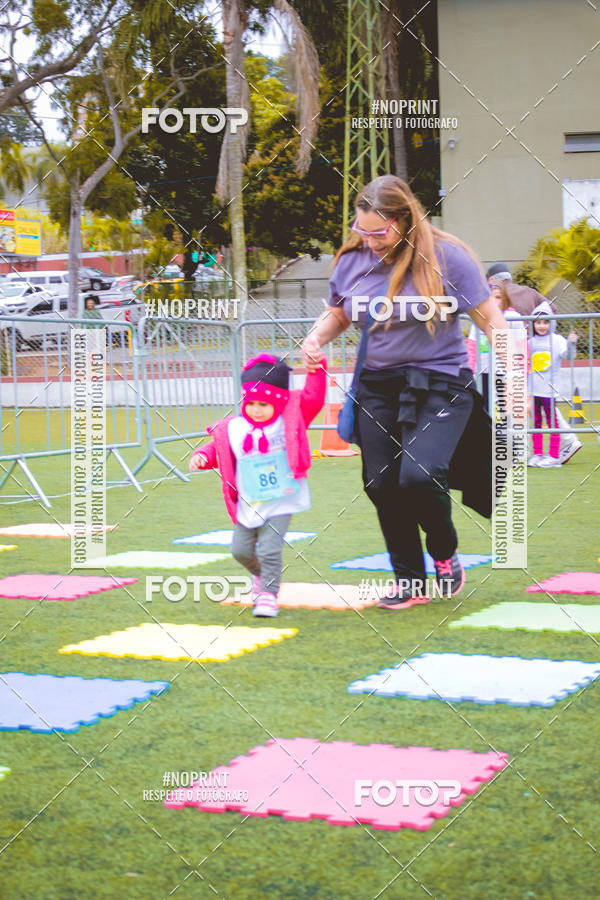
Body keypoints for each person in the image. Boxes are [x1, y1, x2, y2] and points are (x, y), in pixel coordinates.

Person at [301, 174, 511, 610]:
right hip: (378, 386)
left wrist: (513, 377)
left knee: (418, 474)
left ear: (403, 220)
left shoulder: (447, 258)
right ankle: (410, 581)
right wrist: (316, 337)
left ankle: (444, 551)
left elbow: (492, 321)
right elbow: (340, 313)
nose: (371, 241)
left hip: (441, 383)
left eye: (379, 232)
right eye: (362, 230)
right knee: (380, 483)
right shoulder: (353, 261)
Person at [189, 354, 326, 617]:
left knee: (270, 548)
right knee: (239, 550)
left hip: (281, 500)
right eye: (251, 403)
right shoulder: (235, 427)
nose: (257, 409)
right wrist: (203, 456)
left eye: (264, 404)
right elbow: (219, 446)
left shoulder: (289, 421)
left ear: (278, 402)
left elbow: (313, 399)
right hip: (249, 502)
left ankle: (268, 596)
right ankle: (261, 576)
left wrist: (317, 369)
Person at [486, 263, 581, 463]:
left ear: (493, 280)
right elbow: (550, 308)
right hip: (531, 355)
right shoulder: (528, 291)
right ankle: (555, 443)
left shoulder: (496, 296)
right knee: (540, 402)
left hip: (516, 357)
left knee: (521, 406)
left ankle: (531, 449)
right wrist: (539, 325)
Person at [528, 301, 578, 468]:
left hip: (549, 391)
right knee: (535, 423)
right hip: (533, 391)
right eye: (538, 322)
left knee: (552, 423)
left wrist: (571, 343)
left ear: (551, 323)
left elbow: (568, 356)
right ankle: (537, 454)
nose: (541, 326)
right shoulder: (530, 342)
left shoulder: (557, 340)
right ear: (533, 323)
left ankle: (554, 455)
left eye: (545, 322)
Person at [467, 280, 527, 412]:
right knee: (486, 410)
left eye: (498, 297)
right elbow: (472, 349)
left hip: (504, 373)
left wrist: (521, 374)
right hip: (484, 372)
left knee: (505, 412)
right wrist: (470, 373)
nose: (494, 302)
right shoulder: (478, 319)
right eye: (490, 298)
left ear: (505, 299)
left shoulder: (513, 318)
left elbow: (522, 347)